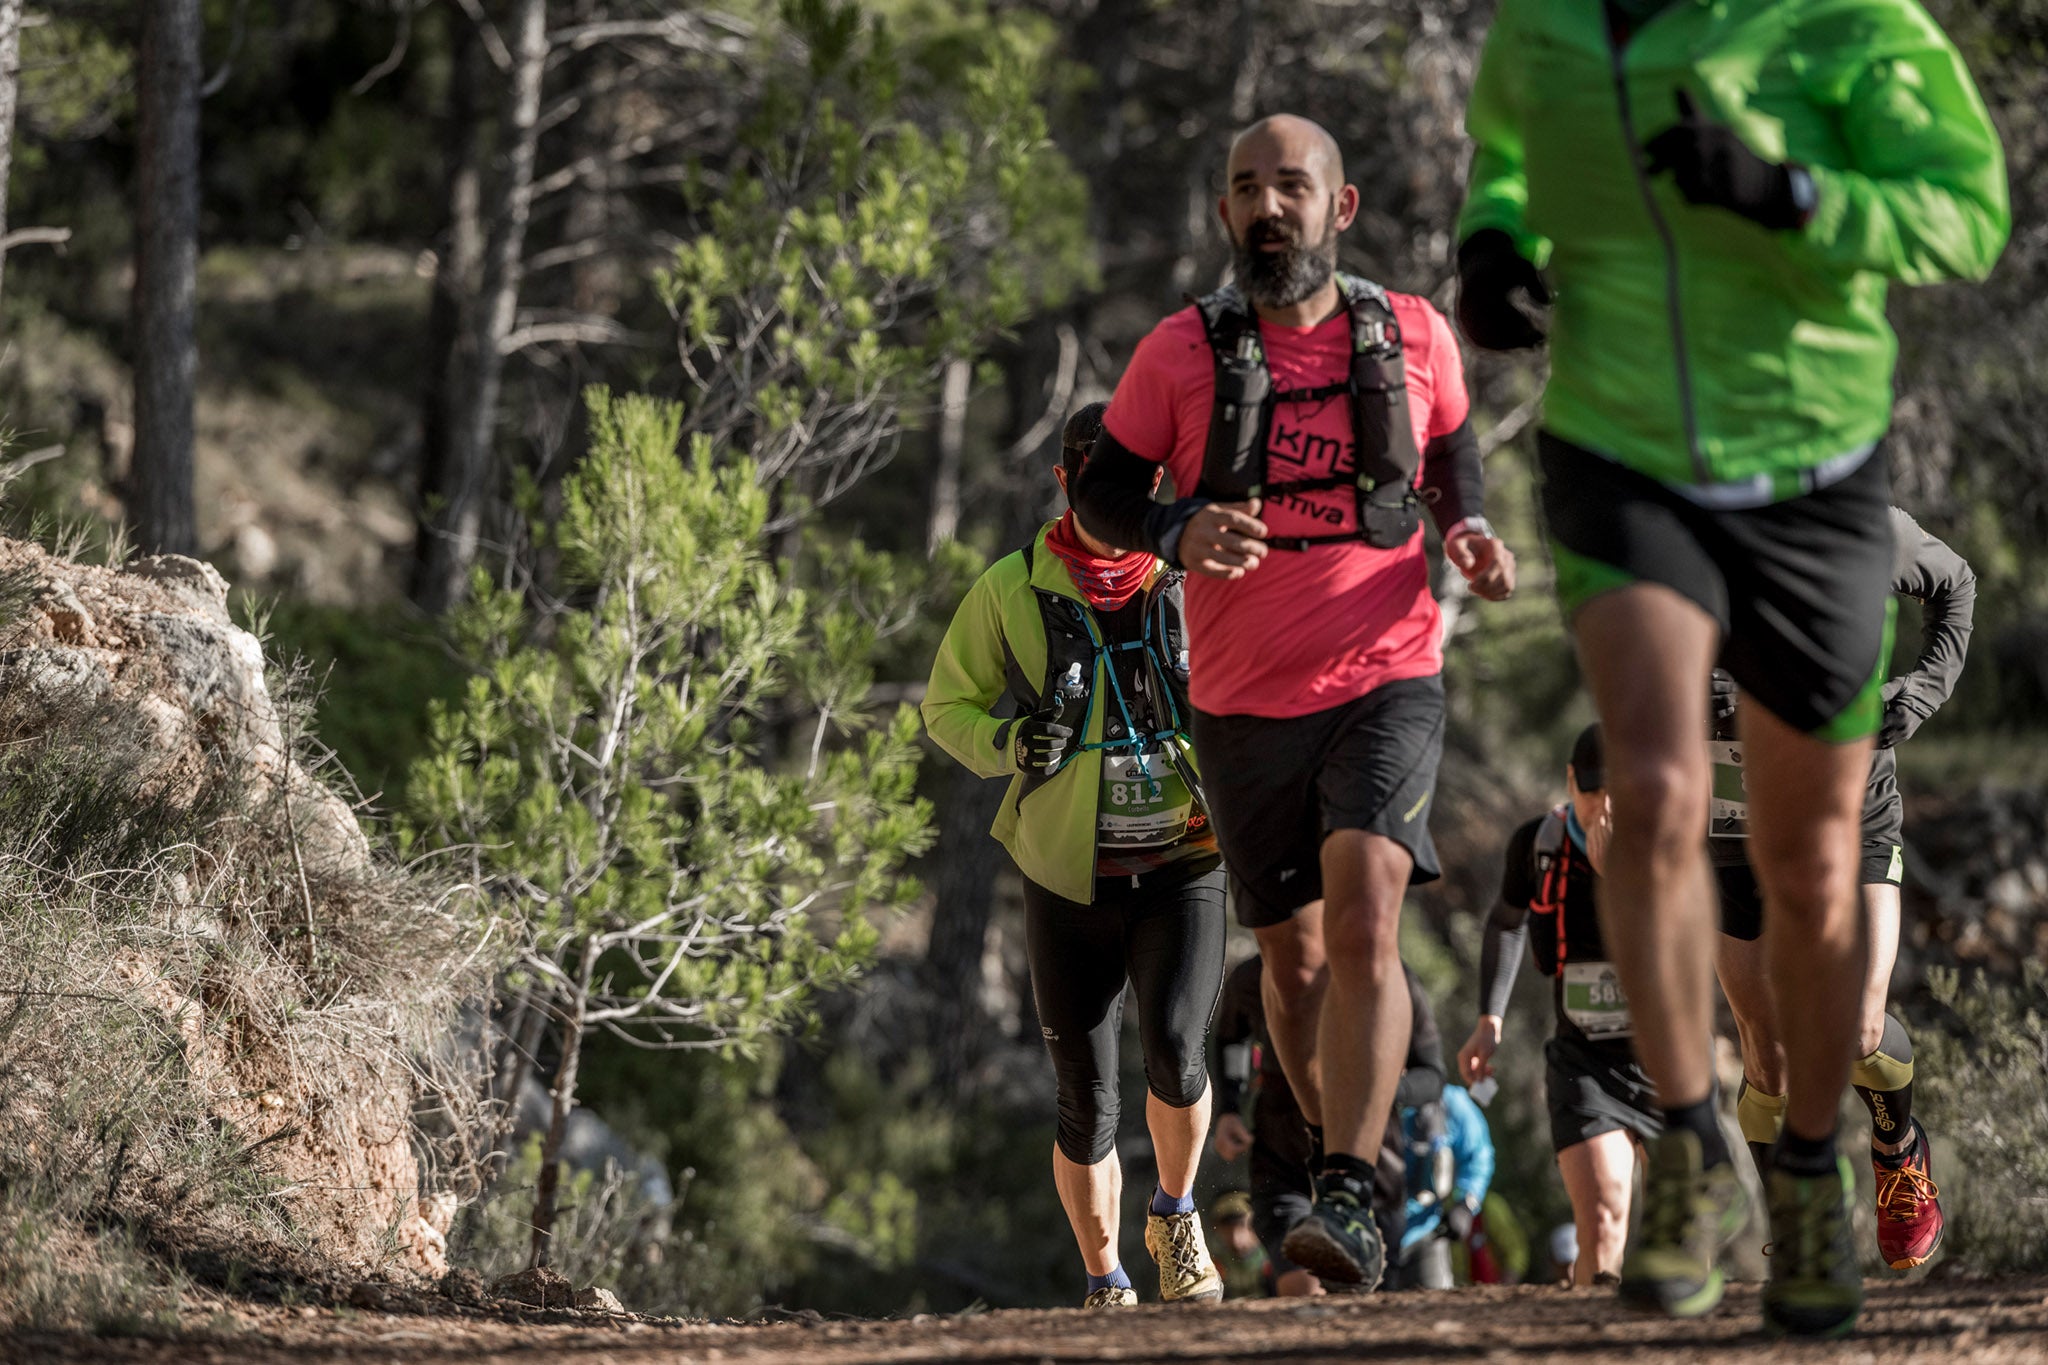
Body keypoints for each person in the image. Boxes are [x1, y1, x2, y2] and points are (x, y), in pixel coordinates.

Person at [1458, 0, 2006, 1337]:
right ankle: (1699, 1149)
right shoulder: (1546, 26)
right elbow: (1509, 154)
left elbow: (1964, 208)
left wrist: (1794, 192)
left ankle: (1812, 1163)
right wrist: (1495, 239)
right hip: (1619, 451)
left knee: (1816, 865)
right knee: (1647, 790)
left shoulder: (1844, 23)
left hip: (1808, 462)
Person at [1076, 111, 1516, 1293]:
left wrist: (1464, 526)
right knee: (1294, 966)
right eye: (1244, 189)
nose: (1266, 207)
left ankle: (1350, 1193)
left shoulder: (1412, 333)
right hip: (1238, 704)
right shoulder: (1177, 354)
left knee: (1369, 915)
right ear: (1224, 214)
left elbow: (1453, 451)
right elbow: (1104, 494)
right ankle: (1330, 1160)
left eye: (1290, 186)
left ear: (1341, 206)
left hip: (1385, 675)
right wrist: (1175, 529)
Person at [923, 403, 1226, 1308]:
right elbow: (947, 708)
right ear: (1065, 481)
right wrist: (1013, 742)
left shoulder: (1194, 577)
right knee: (1085, 1098)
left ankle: (1174, 1214)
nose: (1116, 499)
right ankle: (1106, 1283)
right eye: (1097, 482)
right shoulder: (1010, 587)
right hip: (1068, 875)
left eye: (1133, 483)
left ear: (1159, 485)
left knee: (1176, 1047)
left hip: (1184, 858)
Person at [1712, 507, 1975, 1272]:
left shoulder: (1851, 521)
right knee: (1770, 1061)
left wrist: (1922, 689)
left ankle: (1898, 1154)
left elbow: (1954, 582)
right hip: (1732, 832)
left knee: (1857, 1026)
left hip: (1849, 817)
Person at [1458, 723, 1658, 1287]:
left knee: (1681, 1233)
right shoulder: (1539, 845)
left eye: (1618, 790)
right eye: (1592, 790)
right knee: (1601, 1218)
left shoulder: (1669, 842)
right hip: (1585, 1063)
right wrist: (1488, 1019)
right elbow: (1505, 921)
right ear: (1571, 780)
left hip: (1670, 1064)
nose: (1605, 805)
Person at [1211, 954, 1446, 1294]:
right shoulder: (1256, 975)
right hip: (1283, 1154)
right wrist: (1229, 1108)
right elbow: (1231, 1036)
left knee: (1366, 1292)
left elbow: (1432, 1074)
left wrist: (1380, 1089)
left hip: (1370, 1163)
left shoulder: (1389, 974)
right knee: (1302, 1286)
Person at [1398, 1083, 1495, 1290]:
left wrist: (1466, 1204)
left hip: (1425, 1233)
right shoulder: (1362, 1094)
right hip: (1369, 1235)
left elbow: (1478, 1156)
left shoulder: (1451, 1102)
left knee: (1436, 1311)